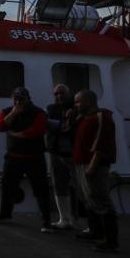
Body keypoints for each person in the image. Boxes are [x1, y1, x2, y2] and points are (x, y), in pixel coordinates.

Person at [0, 86, 54, 231]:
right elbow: (0, 126)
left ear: (28, 99)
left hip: (34, 157)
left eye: (21, 99)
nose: (18, 102)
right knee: (8, 187)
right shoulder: (7, 111)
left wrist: (16, 134)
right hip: (13, 156)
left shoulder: (38, 113)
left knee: (41, 189)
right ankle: (5, 213)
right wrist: (13, 114)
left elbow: (36, 131)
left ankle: (47, 221)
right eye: (16, 99)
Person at [72, 89, 119, 252]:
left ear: (88, 101)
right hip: (81, 163)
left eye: (78, 101)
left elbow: (102, 142)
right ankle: (95, 231)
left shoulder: (101, 116)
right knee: (89, 198)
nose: (75, 105)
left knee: (101, 199)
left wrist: (92, 165)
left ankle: (111, 240)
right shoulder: (84, 117)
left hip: (93, 165)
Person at [45, 84, 77, 229]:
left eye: (62, 93)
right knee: (59, 185)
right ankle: (64, 219)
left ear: (69, 94)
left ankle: (92, 223)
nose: (59, 96)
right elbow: (59, 127)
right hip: (56, 152)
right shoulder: (51, 109)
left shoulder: (77, 108)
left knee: (81, 186)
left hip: (74, 154)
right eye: (56, 94)